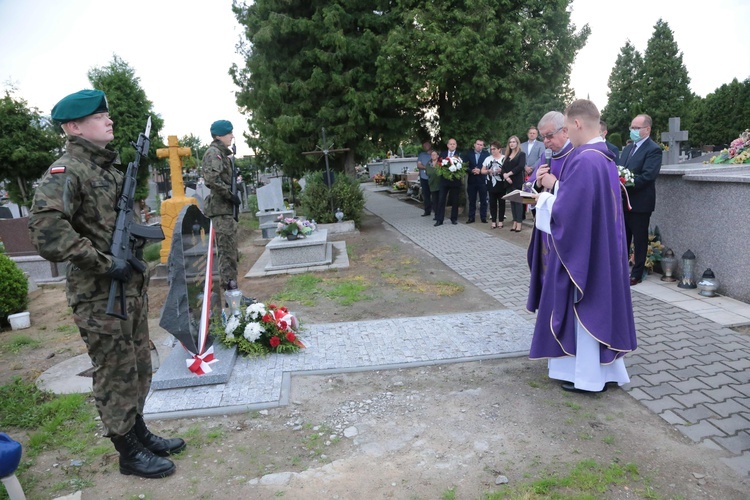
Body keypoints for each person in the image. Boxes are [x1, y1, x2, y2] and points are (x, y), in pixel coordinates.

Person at [28, 89, 184, 478]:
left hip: (128, 286)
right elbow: (46, 231)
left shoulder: (108, 170)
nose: (109, 120)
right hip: (99, 294)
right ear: (74, 127)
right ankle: (127, 451)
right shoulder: (66, 171)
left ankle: (139, 431)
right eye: (99, 116)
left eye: (107, 114)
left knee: (138, 366)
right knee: (115, 370)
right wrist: (102, 261)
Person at [527, 99, 637, 393]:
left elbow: (569, 210)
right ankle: (602, 372)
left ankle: (587, 377)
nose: (566, 133)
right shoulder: (604, 156)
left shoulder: (586, 158)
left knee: (586, 305)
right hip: (602, 247)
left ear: (577, 124)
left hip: (589, 250)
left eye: (566, 127)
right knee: (600, 302)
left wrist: (544, 200)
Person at [202, 120, 248, 297]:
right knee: (227, 254)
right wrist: (230, 195)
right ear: (219, 135)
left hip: (225, 210)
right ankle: (231, 294)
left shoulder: (222, 154)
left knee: (231, 252)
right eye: (229, 133)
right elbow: (212, 180)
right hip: (221, 210)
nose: (232, 136)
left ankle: (233, 292)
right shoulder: (214, 153)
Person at [620, 114, 662, 286]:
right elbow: (620, 169)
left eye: (637, 128)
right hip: (623, 201)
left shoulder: (653, 149)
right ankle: (621, 269)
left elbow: (648, 176)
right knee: (622, 238)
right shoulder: (629, 149)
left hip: (640, 202)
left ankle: (636, 273)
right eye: (632, 127)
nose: (633, 131)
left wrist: (625, 183)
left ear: (647, 129)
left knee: (639, 239)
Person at [501, 136, 526, 232]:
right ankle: (514, 221)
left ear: (517, 143)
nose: (512, 144)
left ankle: (519, 223)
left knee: (518, 202)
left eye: (514, 142)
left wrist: (509, 174)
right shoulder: (507, 155)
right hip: (508, 181)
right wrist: (505, 176)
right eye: (510, 142)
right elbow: (503, 168)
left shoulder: (521, 154)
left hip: (517, 181)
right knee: (512, 202)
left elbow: (520, 166)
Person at [435, 138, 462, 226]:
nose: (452, 145)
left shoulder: (459, 154)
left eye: (454, 144)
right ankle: (439, 219)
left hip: (455, 181)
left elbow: (462, 166)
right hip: (444, 181)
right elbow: (439, 165)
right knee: (441, 199)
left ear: (456, 145)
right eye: (450, 144)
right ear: (447, 145)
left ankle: (453, 219)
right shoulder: (443, 154)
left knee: (455, 200)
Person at [465, 138, 490, 223]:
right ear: (474, 145)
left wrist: (480, 170)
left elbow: (488, 166)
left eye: (481, 145)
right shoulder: (469, 154)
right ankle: (471, 217)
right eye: (478, 144)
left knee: (483, 200)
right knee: (472, 200)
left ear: (483, 146)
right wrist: (471, 170)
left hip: (482, 180)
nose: (479, 146)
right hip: (472, 180)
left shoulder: (486, 154)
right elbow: (465, 166)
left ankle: (483, 217)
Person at [483, 141, 505, 228]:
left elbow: (507, 169)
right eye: (491, 149)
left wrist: (501, 171)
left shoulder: (504, 158)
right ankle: (493, 221)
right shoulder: (488, 159)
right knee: (492, 202)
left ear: (499, 149)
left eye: (494, 149)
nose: (492, 151)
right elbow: (482, 170)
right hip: (491, 183)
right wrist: (488, 171)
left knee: (502, 202)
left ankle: (501, 221)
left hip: (501, 183)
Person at [416, 140, 433, 217]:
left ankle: (436, 211)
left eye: (426, 145)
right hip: (424, 178)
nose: (425, 147)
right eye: (424, 146)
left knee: (435, 195)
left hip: (433, 178)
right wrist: (427, 167)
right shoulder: (421, 155)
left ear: (430, 145)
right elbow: (419, 165)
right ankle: (427, 211)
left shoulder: (434, 154)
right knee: (426, 196)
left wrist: (425, 167)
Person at [426, 149, 442, 219]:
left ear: (438, 156)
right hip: (432, 184)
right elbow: (428, 172)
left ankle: (440, 215)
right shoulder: (428, 164)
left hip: (440, 184)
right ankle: (436, 214)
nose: (433, 156)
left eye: (434, 154)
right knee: (434, 201)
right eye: (432, 155)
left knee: (440, 200)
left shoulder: (441, 163)